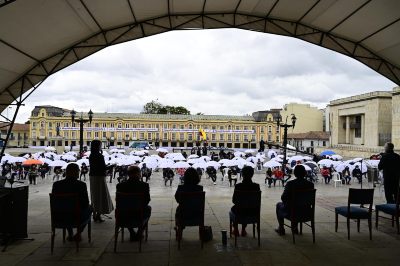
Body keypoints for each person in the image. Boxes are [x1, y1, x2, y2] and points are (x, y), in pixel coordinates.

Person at [52, 163, 92, 241]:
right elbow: (85, 203)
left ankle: (70, 233)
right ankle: (78, 233)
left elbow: (54, 202)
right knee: (90, 208)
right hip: (76, 217)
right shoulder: (81, 185)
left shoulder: (57, 185)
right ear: (77, 172)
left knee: (66, 208)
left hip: (59, 216)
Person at [275, 165, 314, 236]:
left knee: (279, 205)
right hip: (307, 211)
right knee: (298, 205)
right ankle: (295, 227)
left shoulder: (290, 184)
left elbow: (283, 197)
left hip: (292, 211)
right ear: (305, 173)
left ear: (295, 173)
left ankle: (281, 228)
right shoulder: (310, 184)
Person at [116, 166, 151, 241]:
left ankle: (132, 232)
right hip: (139, 214)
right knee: (148, 208)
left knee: (125, 209)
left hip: (123, 215)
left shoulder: (120, 186)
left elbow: (118, 201)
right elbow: (147, 200)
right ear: (139, 174)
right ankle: (139, 232)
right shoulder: (144, 186)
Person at [230, 166, 260, 237]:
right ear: (252, 174)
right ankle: (243, 229)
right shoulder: (256, 186)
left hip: (240, 212)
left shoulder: (238, 186)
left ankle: (236, 228)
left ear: (242, 174)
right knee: (247, 207)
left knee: (234, 209)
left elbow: (234, 200)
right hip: (253, 212)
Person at [89, 139, 114, 222]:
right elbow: (103, 168)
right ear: (98, 146)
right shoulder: (100, 156)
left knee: (95, 195)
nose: (101, 146)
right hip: (99, 177)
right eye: (100, 145)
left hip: (92, 177)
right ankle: (98, 215)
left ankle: (95, 214)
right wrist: (112, 166)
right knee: (101, 195)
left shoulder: (91, 155)